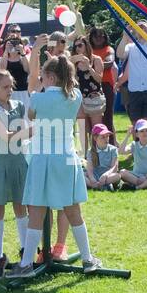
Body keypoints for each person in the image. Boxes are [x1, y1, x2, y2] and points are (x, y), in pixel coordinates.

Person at [8, 47, 102, 277]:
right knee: (73, 211)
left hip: (42, 158)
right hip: (66, 158)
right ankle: (88, 259)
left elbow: (31, 115)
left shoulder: (40, 97)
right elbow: (64, 79)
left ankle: (26, 264)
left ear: (50, 77)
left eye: (43, 75)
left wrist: (41, 83)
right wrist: (58, 63)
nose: (40, 78)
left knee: (37, 211)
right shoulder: (75, 95)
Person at [0, 70, 30, 277]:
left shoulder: (18, 106)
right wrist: (33, 130)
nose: (10, 90)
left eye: (11, 86)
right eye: (6, 87)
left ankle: (26, 251)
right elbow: (7, 136)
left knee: (21, 207)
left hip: (18, 162)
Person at [117, 22, 147, 129]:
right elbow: (120, 54)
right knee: (136, 125)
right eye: (139, 29)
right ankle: (137, 145)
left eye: (145, 28)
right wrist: (125, 36)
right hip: (135, 90)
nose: (142, 31)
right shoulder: (131, 46)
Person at [86, 26, 117, 137]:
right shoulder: (88, 49)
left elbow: (109, 63)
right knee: (91, 119)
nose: (99, 38)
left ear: (105, 38)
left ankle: (111, 146)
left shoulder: (109, 49)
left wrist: (90, 65)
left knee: (108, 117)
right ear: (91, 37)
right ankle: (95, 146)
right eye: (95, 36)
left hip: (106, 86)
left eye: (101, 36)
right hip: (90, 86)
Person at [85, 123, 121, 190]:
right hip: (95, 175)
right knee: (81, 176)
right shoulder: (90, 151)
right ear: (95, 138)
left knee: (117, 176)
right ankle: (100, 186)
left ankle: (98, 186)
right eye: (103, 137)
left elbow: (114, 167)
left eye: (107, 136)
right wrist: (92, 179)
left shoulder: (113, 149)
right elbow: (89, 169)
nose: (106, 139)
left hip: (108, 175)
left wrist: (105, 175)